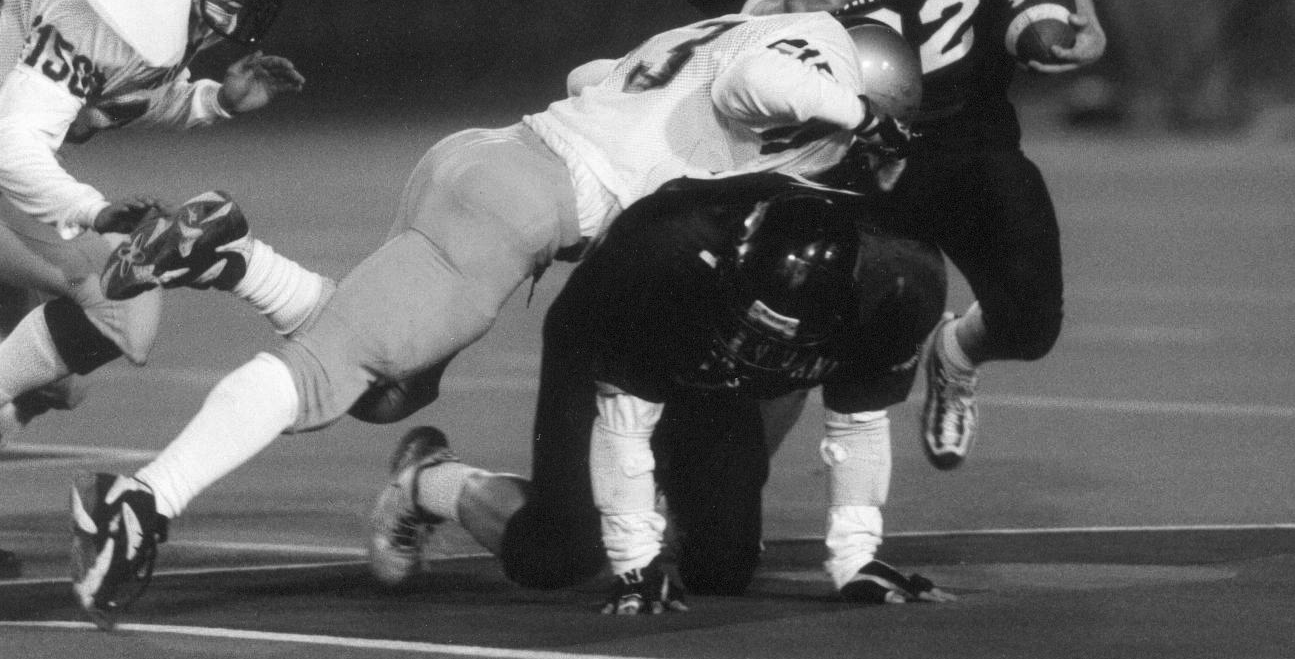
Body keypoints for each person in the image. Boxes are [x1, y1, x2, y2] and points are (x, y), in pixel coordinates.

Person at [67, 10, 923, 627]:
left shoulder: (741, 28)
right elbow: (754, 80)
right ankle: (143, 500)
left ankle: (237, 260)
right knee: (328, 370)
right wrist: (855, 112)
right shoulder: (823, 73)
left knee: (386, 393)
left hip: (491, 164)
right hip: (524, 203)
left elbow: (591, 76)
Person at [688, 0, 1107, 472]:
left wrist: (1084, 15)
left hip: (970, 134)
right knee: (801, 339)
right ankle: (715, 500)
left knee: (1032, 324)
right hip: (845, 156)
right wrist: (779, 14)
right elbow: (719, 38)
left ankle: (955, 352)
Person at [366, 173, 953, 612]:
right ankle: (427, 480)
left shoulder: (903, 289)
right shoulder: (658, 269)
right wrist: (634, 564)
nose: (758, 352)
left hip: (717, 345)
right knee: (563, 552)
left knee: (720, 566)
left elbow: (854, 420)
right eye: (754, 332)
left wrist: (856, 559)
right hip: (615, 339)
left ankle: (680, 508)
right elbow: (626, 424)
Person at [0, 0, 314, 580]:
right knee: (122, 301)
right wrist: (92, 209)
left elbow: (113, 91)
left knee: (55, 379)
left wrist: (212, 99)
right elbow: (11, 144)